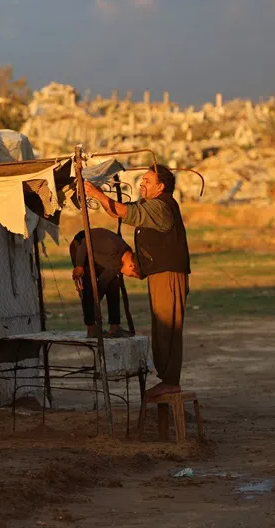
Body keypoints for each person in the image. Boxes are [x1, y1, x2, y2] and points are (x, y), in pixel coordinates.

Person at [83, 165, 190, 398]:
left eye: (148, 181)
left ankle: (170, 381)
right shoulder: (150, 206)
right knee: (161, 326)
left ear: (161, 187)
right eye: (142, 179)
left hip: (168, 274)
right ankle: (167, 379)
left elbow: (122, 211)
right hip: (160, 274)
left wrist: (96, 193)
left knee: (168, 326)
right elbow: (116, 211)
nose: (142, 184)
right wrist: (98, 195)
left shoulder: (160, 207)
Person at [69, 228, 140, 338]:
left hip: (98, 257)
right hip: (81, 246)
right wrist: (79, 265)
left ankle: (114, 328)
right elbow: (84, 244)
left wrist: (97, 297)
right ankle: (91, 329)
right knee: (88, 286)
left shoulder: (121, 261)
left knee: (113, 283)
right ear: (131, 265)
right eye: (131, 274)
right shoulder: (112, 245)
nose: (128, 276)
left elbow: (103, 283)